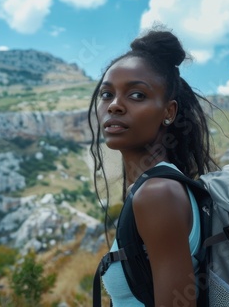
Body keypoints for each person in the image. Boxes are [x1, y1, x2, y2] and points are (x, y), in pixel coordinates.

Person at [88, 28, 218, 306]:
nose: (114, 106)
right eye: (106, 94)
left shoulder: (157, 194)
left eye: (136, 95)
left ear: (168, 112)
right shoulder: (159, 186)